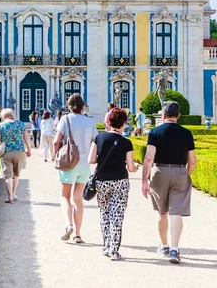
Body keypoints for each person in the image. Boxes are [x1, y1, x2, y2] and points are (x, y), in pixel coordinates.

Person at [141, 101, 197, 264]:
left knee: (161, 211)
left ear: (163, 115)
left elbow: (149, 157)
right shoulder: (186, 133)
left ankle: (164, 246)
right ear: (178, 115)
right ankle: (174, 249)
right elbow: (192, 161)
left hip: (159, 172)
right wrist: (185, 174)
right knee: (176, 212)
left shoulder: (155, 132)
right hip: (180, 171)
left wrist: (145, 180)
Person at [89, 108, 138, 260]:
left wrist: (103, 159)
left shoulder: (99, 138)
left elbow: (91, 159)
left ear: (109, 123)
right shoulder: (126, 142)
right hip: (120, 182)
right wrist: (135, 167)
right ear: (123, 124)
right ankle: (114, 251)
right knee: (117, 216)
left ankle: (106, 245)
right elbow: (130, 167)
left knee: (105, 213)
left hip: (102, 181)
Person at [53, 94, 98, 244]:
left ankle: (68, 225)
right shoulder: (89, 122)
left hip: (69, 162)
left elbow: (56, 141)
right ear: (83, 106)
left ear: (69, 106)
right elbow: (96, 142)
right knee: (78, 200)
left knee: (65, 196)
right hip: (84, 163)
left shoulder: (65, 119)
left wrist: (55, 157)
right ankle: (77, 235)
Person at [0, 108, 32, 203]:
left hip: (7, 153)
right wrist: (29, 149)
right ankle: (14, 194)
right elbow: (27, 139)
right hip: (20, 152)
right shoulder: (20, 124)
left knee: (8, 176)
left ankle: (9, 196)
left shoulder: (1, 125)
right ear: (11, 115)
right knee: (16, 175)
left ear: (3, 117)